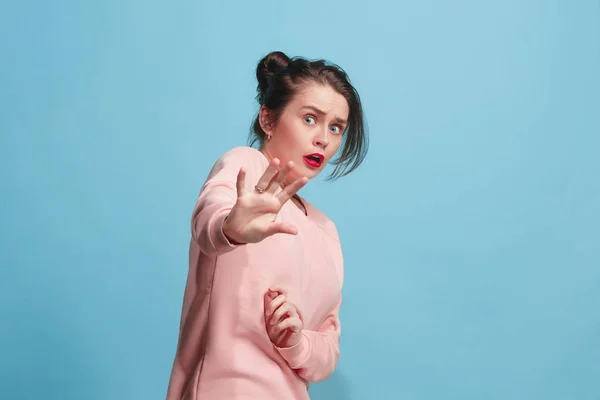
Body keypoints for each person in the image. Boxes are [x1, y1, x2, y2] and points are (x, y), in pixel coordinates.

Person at [166, 50, 368, 400]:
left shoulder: (326, 230)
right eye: (310, 119)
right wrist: (229, 228)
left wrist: (297, 342)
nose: (323, 138)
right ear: (268, 120)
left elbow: (328, 347)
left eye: (336, 127)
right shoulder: (244, 166)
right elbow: (209, 216)